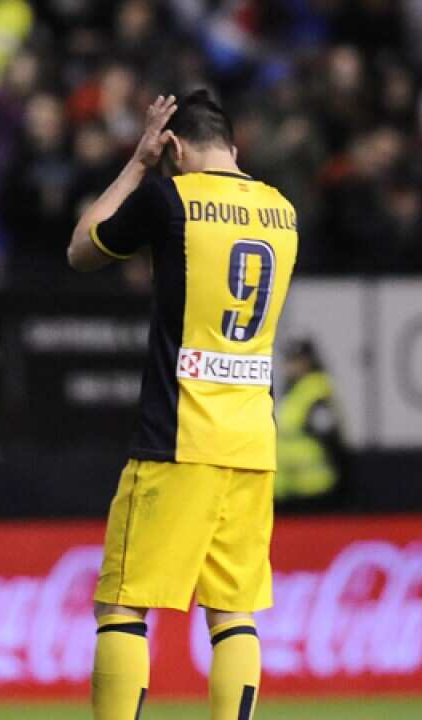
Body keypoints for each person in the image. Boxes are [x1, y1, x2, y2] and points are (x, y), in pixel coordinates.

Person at [67, 90, 298, 720]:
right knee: (232, 611)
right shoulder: (282, 209)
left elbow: (82, 249)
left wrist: (137, 163)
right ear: (234, 146)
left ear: (172, 144)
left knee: (122, 603)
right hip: (251, 436)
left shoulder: (171, 197)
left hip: (179, 435)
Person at [275, 338, 347, 510]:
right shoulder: (292, 391)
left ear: (307, 361)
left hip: (313, 490)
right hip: (287, 489)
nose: (289, 366)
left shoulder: (316, 391)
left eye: (294, 360)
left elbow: (331, 440)